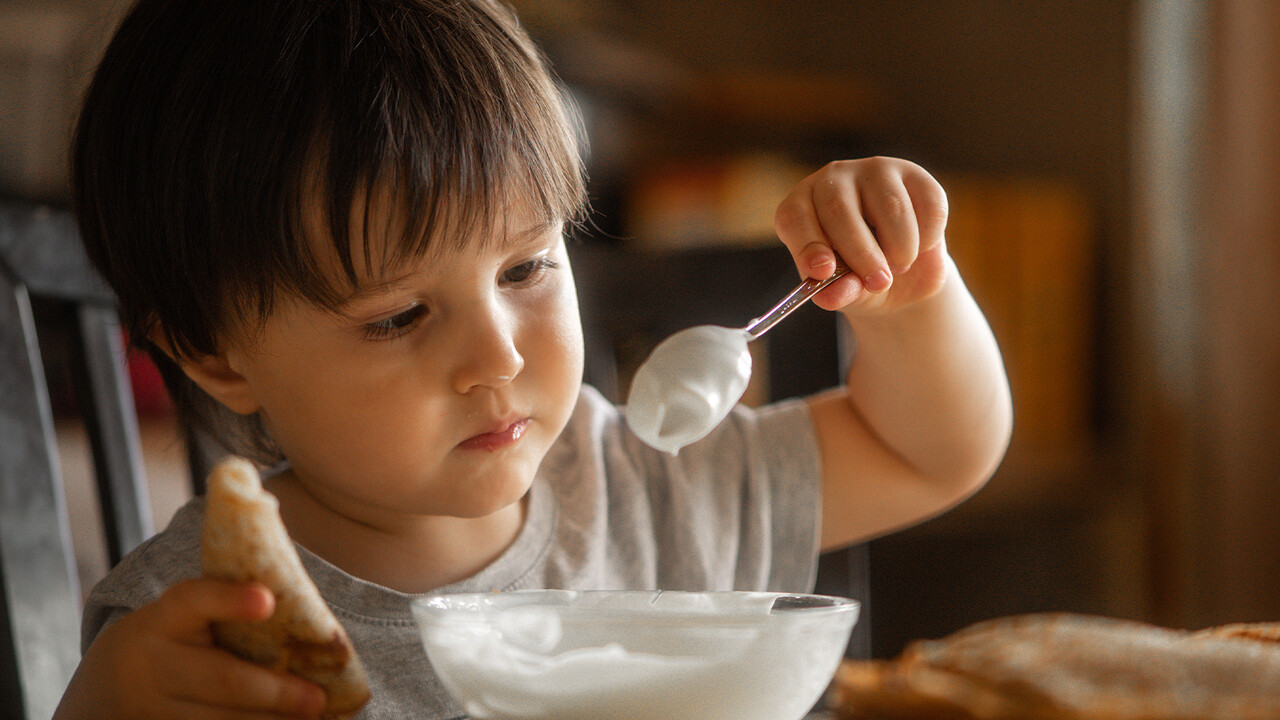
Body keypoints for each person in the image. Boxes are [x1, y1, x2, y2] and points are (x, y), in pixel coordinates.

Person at [54, 0, 1013, 718]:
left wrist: (912, 300)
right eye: (399, 318)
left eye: (525, 267)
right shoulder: (205, 625)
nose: (497, 354)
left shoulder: (652, 485)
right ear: (218, 353)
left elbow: (929, 452)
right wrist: (104, 702)